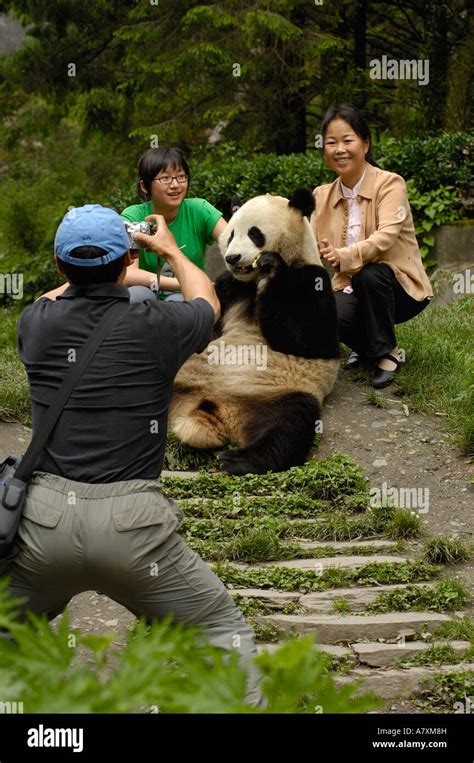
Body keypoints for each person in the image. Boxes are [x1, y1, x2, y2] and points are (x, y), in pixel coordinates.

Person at [4, 204, 261, 706]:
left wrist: (85, 263)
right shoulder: (157, 324)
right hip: (134, 530)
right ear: (126, 264)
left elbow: (52, 295)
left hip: (44, 526)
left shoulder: (36, 323)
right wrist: (164, 248)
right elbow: (206, 302)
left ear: (59, 268)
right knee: (218, 629)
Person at [311, 104, 433, 389]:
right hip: (351, 285)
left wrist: (342, 255)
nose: (339, 149)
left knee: (370, 274)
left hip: (399, 288)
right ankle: (368, 348)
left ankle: (386, 353)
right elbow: (309, 243)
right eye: (331, 143)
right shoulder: (321, 196)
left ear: (365, 143)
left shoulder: (391, 184)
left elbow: (385, 238)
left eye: (347, 140)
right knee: (324, 310)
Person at [121, 146, 227, 302]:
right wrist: (188, 283)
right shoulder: (134, 216)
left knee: (178, 302)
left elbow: (233, 241)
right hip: (147, 295)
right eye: (165, 178)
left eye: (181, 176)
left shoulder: (199, 210)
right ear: (144, 186)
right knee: (136, 295)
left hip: (186, 297)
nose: (175, 185)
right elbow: (129, 274)